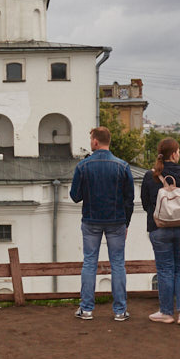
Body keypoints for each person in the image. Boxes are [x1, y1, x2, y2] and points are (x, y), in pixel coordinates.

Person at [69, 126, 135, 322]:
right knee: (118, 264)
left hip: (91, 220)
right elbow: (129, 199)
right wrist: (126, 224)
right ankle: (120, 311)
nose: (90, 143)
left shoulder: (83, 166)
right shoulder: (122, 166)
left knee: (90, 262)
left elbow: (75, 196)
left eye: (91, 139)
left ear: (96, 142)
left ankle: (87, 309)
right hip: (117, 222)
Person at [141, 137, 180, 325]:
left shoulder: (150, 176)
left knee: (165, 270)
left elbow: (145, 204)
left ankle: (166, 313)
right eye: (179, 151)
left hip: (159, 229)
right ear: (174, 154)